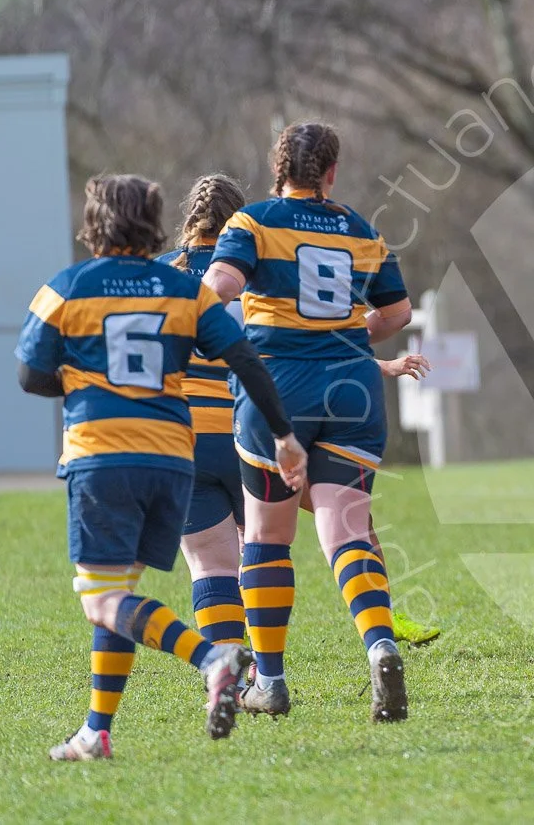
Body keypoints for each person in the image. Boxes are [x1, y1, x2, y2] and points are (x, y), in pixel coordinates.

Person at [16, 174, 307, 760]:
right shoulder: (183, 290)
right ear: (150, 222)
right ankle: (97, 731)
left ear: (95, 222)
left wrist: (78, 381)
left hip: (104, 455)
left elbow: (30, 375)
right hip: (173, 455)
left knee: (103, 597)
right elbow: (246, 357)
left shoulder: (68, 287)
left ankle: (214, 656)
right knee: (119, 591)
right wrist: (284, 433)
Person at [163, 174, 440, 652]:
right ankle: (384, 626)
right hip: (261, 427)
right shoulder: (259, 267)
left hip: (189, 439)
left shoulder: (164, 274)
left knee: (215, 562)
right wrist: (380, 364)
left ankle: (240, 669)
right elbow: (296, 349)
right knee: (350, 521)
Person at [202, 122, 414, 720]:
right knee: (346, 532)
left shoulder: (253, 222)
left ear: (279, 167)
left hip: (280, 389)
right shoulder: (362, 230)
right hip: (355, 392)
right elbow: (396, 311)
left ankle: (269, 681)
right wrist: (344, 338)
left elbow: (221, 285)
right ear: (331, 172)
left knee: (267, 538)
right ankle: (379, 645)